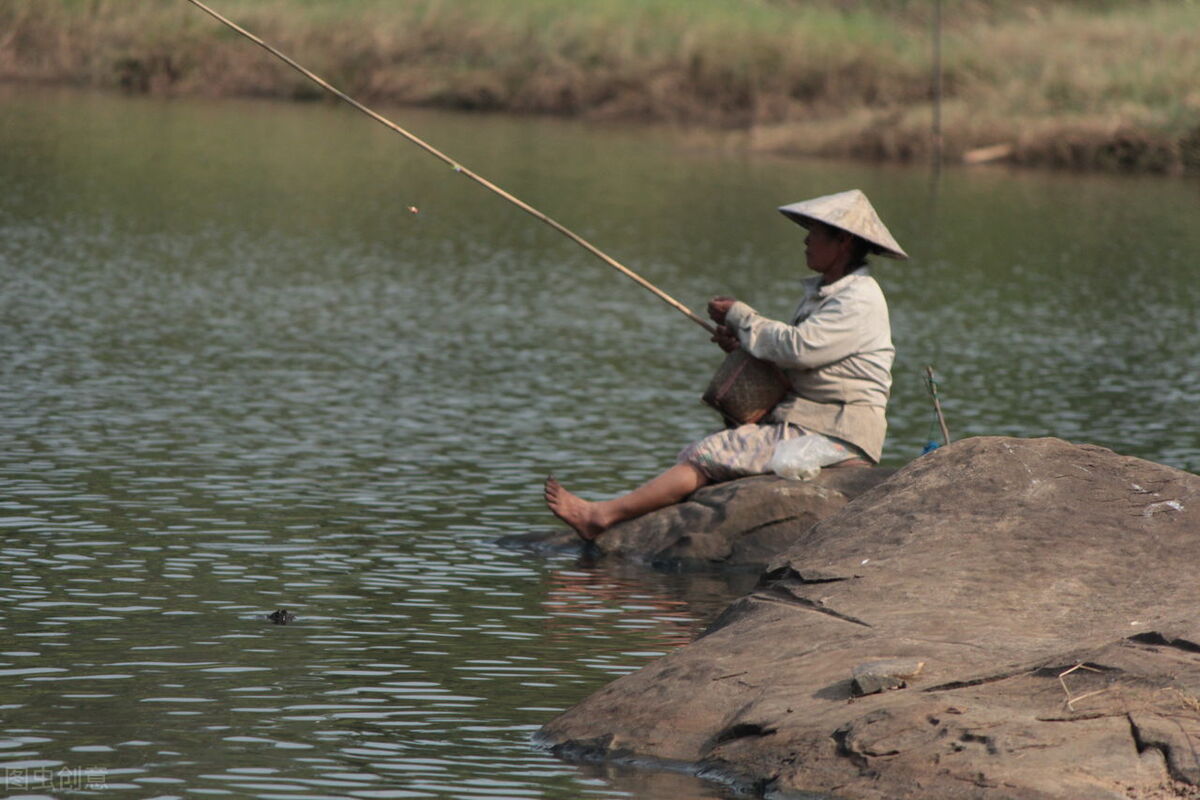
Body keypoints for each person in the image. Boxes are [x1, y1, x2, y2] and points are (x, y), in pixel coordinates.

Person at [545, 189, 906, 541]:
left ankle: (601, 516)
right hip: (813, 419)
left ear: (842, 241)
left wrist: (741, 316)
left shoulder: (859, 299)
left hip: (837, 430)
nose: (806, 241)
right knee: (709, 453)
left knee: (705, 455)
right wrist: (743, 346)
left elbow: (799, 349)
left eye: (814, 233)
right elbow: (800, 366)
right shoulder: (827, 295)